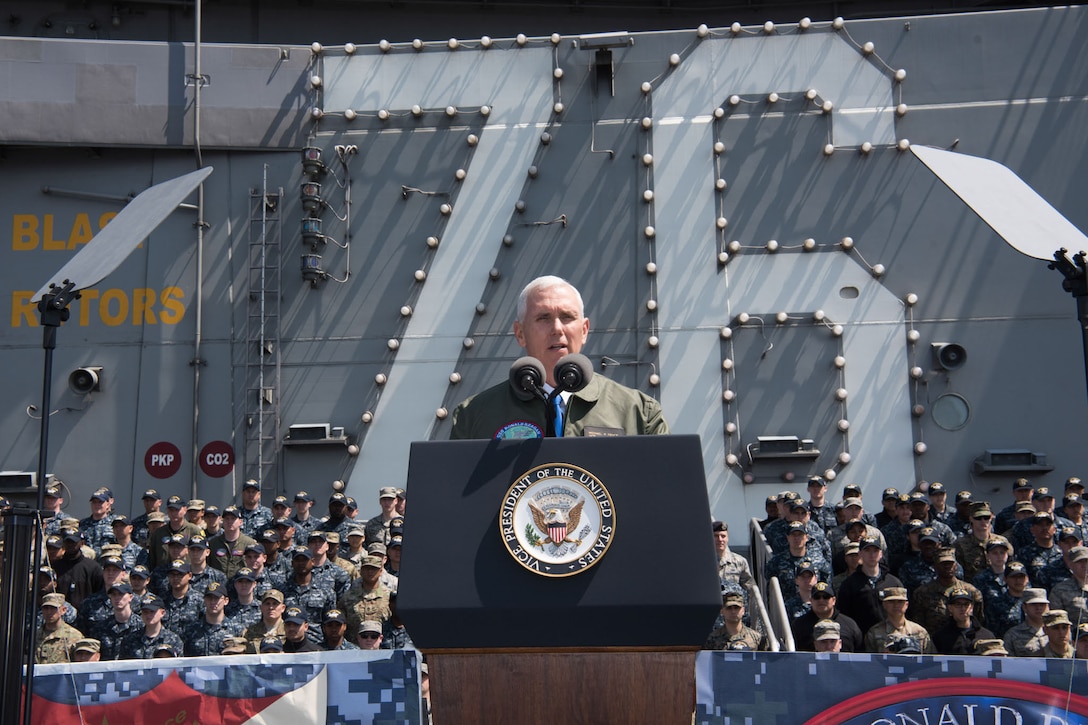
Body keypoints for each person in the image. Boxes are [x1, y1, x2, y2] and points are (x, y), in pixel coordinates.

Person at [450, 275, 669, 439]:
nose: (557, 329)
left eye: (567, 317)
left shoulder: (639, 413)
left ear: (584, 330)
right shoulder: (474, 417)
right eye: (543, 318)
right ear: (520, 334)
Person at [836, 536, 903, 635]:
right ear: (860, 554)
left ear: (881, 554)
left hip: (890, 637)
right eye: (867, 550)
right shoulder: (849, 584)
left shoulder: (893, 583)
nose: (872, 555)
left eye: (875, 551)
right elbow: (844, 615)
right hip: (862, 639)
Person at [791, 581, 864, 653]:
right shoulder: (799, 625)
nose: (821, 600)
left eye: (826, 597)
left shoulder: (850, 625)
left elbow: (860, 653)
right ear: (811, 600)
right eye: (817, 597)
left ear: (834, 600)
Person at [863, 587, 935, 654]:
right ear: (884, 605)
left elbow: (930, 660)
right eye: (891, 601)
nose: (896, 605)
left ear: (906, 605)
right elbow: (870, 661)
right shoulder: (874, 633)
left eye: (900, 601)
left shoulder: (920, 632)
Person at [183, 581, 242, 656]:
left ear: (226, 601)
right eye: (209, 598)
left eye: (217, 598)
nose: (213, 602)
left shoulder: (236, 630)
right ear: (204, 600)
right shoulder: (192, 630)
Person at [118, 595, 184, 660]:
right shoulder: (130, 640)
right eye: (145, 612)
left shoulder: (173, 640)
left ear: (162, 613)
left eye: (152, 612)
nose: (148, 615)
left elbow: (178, 666)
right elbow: (123, 666)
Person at [932, 587, 994, 655]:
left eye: (966, 604)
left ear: (971, 608)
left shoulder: (986, 636)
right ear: (950, 608)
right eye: (958, 604)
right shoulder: (940, 637)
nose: (963, 608)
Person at [90, 582, 142, 660]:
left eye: (121, 594)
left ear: (130, 597)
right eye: (114, 595)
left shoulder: (141, 625)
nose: (117, 598)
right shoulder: (101, 628)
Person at [207, 505, 258, 579]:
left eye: (233, 518)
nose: (229, 522)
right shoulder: (213, 543)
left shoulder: (250, 543)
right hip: (219, 586)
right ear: (222, 521)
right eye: (227, 519)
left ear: (240, 522)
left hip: (241, 585)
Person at [36, 593, 83, 664]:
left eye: (54, 608)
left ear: (63, 610)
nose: (49, 612)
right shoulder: (34, 636)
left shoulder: (75, 636)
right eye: (46, 608)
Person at [1003, 588, 1050, 657]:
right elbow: (1008, 663)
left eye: (1042, 604)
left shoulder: (1057, 631)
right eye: (1034, 604)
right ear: (1024, 607)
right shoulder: (1013, 634)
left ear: (1048, 607)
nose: (1038, 608)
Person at [1048, 545, 1088, 626]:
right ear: (1070, 565)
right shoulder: (1060, 590)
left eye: (1086, 561)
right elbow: (1057, 620)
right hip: (1075, 636)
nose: (1084, 565)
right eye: (1079, 562)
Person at [713, 521, 753, 591]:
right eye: (716, 536)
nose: (720, 539)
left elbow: (749, 588)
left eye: (723, 536)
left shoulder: (740, 561)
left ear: (727, 538)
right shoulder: (702, 562)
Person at [78, 486, 117, 556]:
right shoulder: (82, 524)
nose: (97, 505)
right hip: (87, 562)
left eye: (100, 502)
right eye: (94, 502)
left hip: (106, 563)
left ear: (108, 505)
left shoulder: (116, 523)